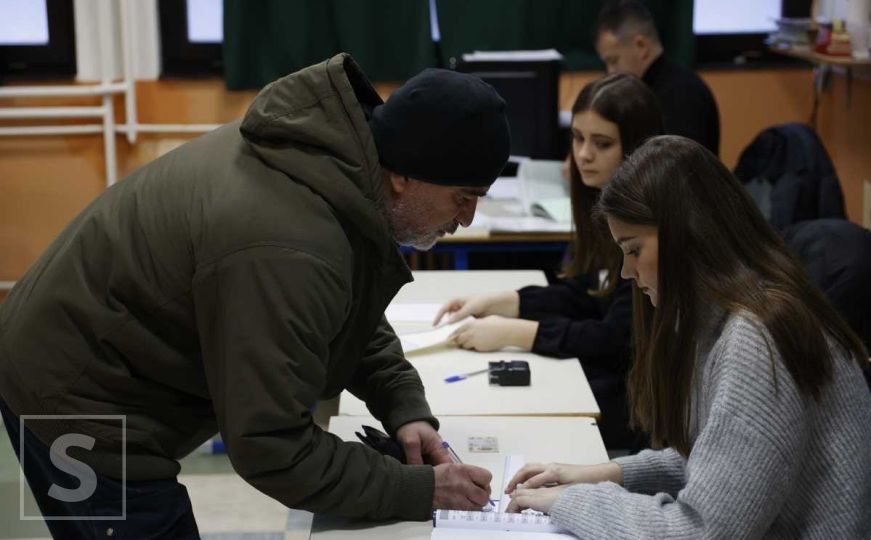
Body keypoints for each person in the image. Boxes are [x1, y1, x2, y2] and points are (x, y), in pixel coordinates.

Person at [0, 53, 510, 537]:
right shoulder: (289, 243)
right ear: (403, 175)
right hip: (70, 400)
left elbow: (338, 307)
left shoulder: (332, 167)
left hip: (93, 364)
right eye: (461, 198)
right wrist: (418, 489)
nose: (465, 219)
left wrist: (404, 405)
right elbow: (273, 447)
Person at [504, 136, 871, 538]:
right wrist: (606, 472)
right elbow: (719, 461)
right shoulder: (730, 310)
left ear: (686, 236)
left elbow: (699, 532)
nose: (626, 272)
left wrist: (571, 502)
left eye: (634, 250)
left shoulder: (755, 340)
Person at [434, 73, 663, 449]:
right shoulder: (598, 203)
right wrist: (509, 302)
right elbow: (586, 292)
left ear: (637, 148)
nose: (584, 154)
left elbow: (617, 336)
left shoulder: (649, 221)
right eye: (577, 138)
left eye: (602, 143)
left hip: (636, 398)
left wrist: (517, 333)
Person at [595, 0, 720, 156]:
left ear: (641, 46)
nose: (610, 72)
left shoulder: (683, 94)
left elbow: (679, 170)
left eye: (613, 61)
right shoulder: (649, 90)